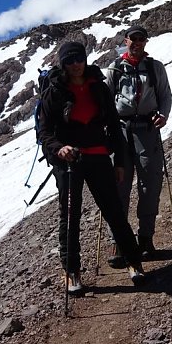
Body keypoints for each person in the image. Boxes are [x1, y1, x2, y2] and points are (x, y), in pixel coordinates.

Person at [37, 41, 147, 295]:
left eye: (79, 59)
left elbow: (113, 123)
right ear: (62, 64)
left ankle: (133, 262)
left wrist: (119, 161)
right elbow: (45, 132)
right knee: (70, 217)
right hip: (68, 161)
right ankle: (71, 271)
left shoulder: (98, 86)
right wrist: (60, 148)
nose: (76, 64)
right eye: (70, 60)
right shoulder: (54, 90)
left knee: (114, 212)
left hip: (98, 156)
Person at [104, 25, 172, 266]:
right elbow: (105, 101)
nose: (137, 42)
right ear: (126, 40)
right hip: (121, 131)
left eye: (141, 39)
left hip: (148, 130)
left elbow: (165, 95)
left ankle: (145, 238)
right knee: (119, 186)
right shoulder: (114, 69)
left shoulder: (155, 68)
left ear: (146, 41)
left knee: (149, 185)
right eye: (133, 38)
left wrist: (163, 115)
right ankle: (119, 241)